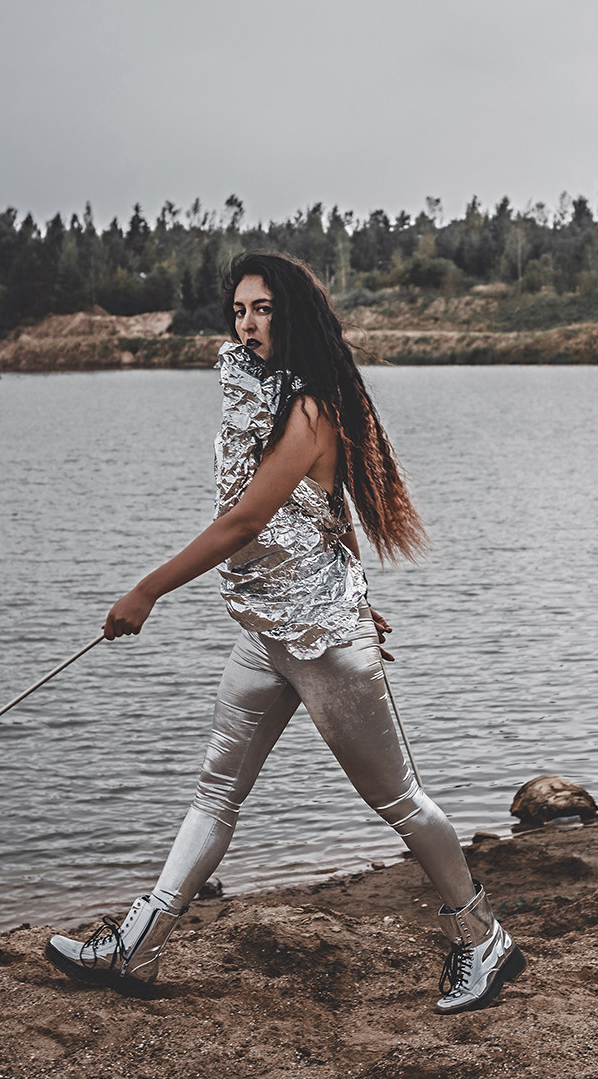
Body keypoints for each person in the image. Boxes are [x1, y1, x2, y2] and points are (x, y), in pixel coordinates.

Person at [44, 251, 522, 1015]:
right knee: (216, 791)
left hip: (324, 643)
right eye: (237, 311)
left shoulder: (308, 410)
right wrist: (356, 585)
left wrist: (147, 591)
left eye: (261, 309)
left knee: (398, 800)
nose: (246, 323)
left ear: (291, 314)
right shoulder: (267, 398)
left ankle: (482, 937)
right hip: (264, 630)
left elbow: (245, 520)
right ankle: (139, 947)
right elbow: (322, 518)